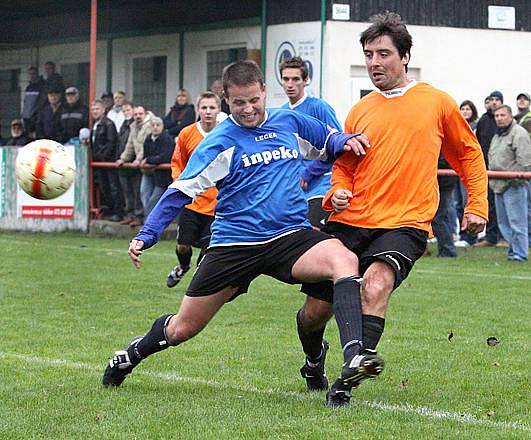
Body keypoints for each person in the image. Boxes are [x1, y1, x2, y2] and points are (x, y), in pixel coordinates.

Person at [103, 60, 376, 406]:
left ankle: (352, 356)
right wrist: (147, 234)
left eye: (253, 100)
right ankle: (129, 356)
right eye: (238, 104)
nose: (248, 110)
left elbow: (330, 141)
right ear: (225, 100)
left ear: (264, 91)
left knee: (344, 259)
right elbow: (180, 191)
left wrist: (346, 143)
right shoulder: (218, 143)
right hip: (236, 244)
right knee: (183, 328)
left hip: (290, 236)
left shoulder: (289, 121)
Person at [301, 12, 488, 406]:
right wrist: (336, 191)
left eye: (383, 54)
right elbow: (345, 166)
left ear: (405, 57)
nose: (374, 63)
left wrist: (477, 206)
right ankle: (314, 359)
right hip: (351, 222)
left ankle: (346, 381)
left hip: (406, 222)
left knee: (377, 284)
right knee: (315, 313)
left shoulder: (436, 102)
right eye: (368, 54)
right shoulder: (360, 110)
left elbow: (469, 155)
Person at [280, 56, 342, 230]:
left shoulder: (319, 107)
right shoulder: (282, 113)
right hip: (294, 189)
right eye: (286, 79)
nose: (290, 84)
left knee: (313, 231)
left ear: (306, 80)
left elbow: (336, 147)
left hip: (322, 184)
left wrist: (308, 173)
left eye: (295, 79)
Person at [166, 92, 221, 288]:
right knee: (182, 246)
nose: (208, 112)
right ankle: (183, 266)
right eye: (204, 108)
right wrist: (181, 185)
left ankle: (197, 288)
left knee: (208, 250)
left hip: (216, 205)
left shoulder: (225, 133)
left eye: (212, 108)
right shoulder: (187, 134)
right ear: (198, 110)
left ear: (219, 110)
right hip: (192, 202)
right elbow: (177, 163)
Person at [488, 105, 531, 262]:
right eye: (497, 115)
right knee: (504, 223)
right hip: (497, 184)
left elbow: (525, 162)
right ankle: (513, 252)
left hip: (514, 185)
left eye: (502, 115)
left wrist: (514, 177)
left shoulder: (519, 134)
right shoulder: (498, 135)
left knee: (517, 222)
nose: (499, 118)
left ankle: (520, 253)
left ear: (511, 116)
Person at [474, 90, 504, 247]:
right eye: (491, 99)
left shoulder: (507, 125)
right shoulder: (484, 121)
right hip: (484, 169)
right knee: (490, 204)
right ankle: (491, 236)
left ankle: (504, 238)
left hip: (502, 172)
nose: (494, 102)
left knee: (504, 207)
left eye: (497, 100)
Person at [116, 105, 153, 226]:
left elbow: (145, 146)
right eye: (136, 114)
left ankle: (141, 217)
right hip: (140, 164)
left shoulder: (149, 126)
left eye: (140, 114)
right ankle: (131, 215)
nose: (138, 116)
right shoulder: (133, 127)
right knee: (134, 191)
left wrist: (138, 159)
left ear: (145, 114)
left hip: (149, 165)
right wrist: (123, 158)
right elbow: (130, 146)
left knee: (142, 193)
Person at [90, 99, 124, 222]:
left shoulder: (109, 124)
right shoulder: (94, 125)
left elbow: (111, 143)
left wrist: (101, 156)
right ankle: (110, 210)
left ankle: (118, 212)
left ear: (103, 110)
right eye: (93, 109)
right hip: (98, 163)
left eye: (97, 109)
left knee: (113, 187)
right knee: (104, 187)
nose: (94, 111)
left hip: (107, 162)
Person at [455, 100, 480, 247]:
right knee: (458, 204)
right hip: (457, 171)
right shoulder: (455, 127)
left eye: (467, 109)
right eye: (462, 109)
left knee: (468, 203)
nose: (465, 112)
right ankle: (462, 234)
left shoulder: (475, 127)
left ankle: (470, 236)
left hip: (469, 170)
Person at [139, 116, 174, 218]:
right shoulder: (148, 138)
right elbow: (145, 154)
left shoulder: (167, 139)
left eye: (158, 125)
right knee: (144, 194)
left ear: (162, 126)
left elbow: (165, 157)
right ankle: (149, 221)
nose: (155, 127)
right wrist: (148, 160)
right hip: (149, 172)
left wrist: (149, 160)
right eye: (153, 125)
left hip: (163, 175)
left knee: (154, 199)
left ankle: (148, 224)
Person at [21, 66, 47, 135]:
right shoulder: (28, 88)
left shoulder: (42, 86)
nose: (32, 76)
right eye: (30, 74)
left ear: (37, 74)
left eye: (33, 74)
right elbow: (25, 102)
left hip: (36, 117)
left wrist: (36, 115)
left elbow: (41, 103)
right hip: (26, 117)